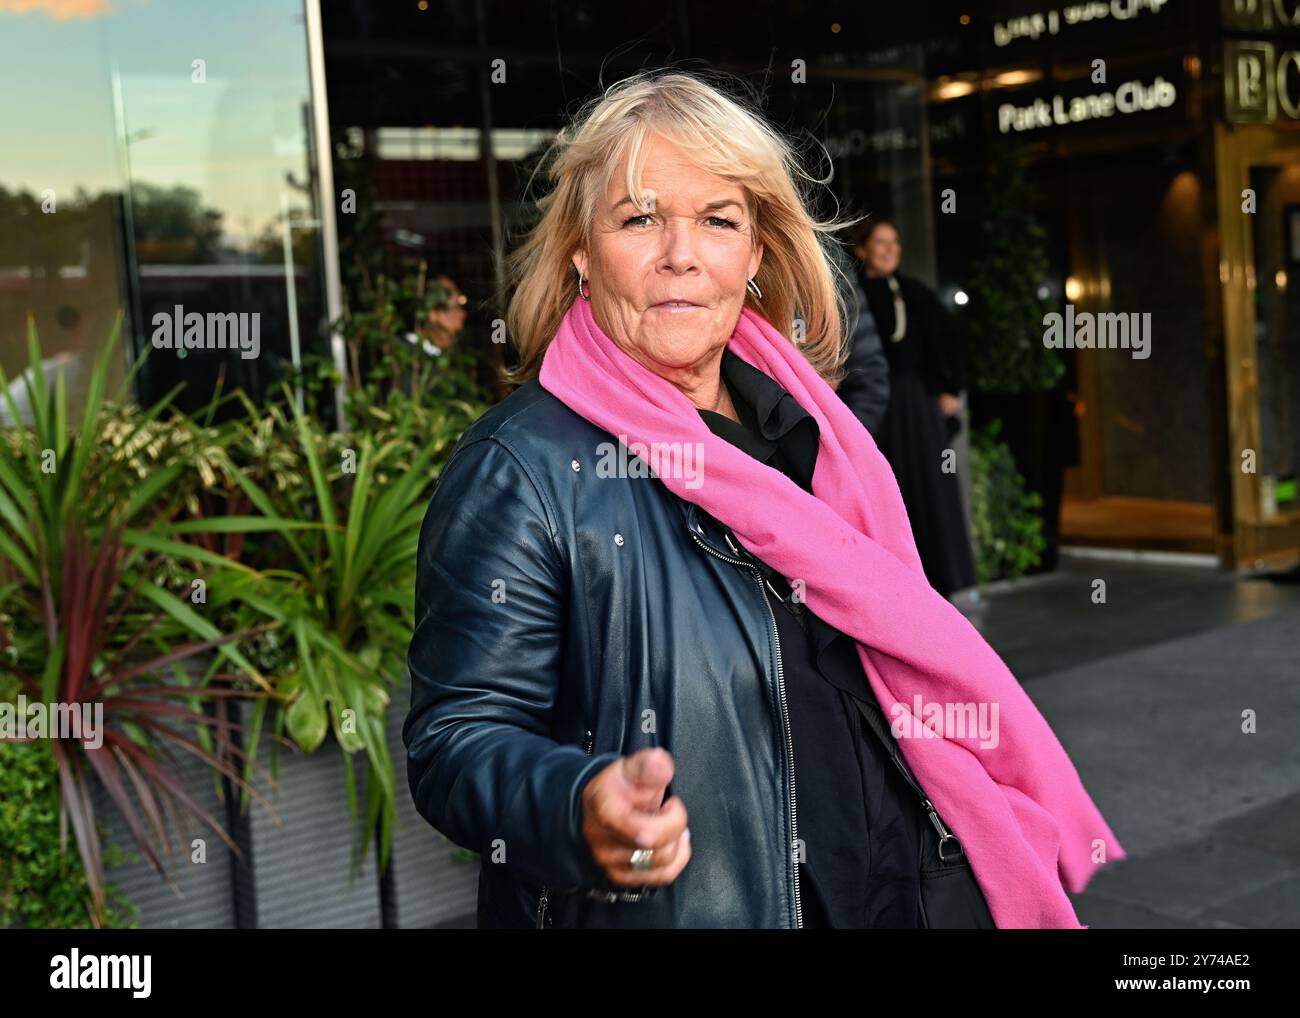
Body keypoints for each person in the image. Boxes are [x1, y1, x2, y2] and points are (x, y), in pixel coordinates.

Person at [403, 70, 1123, 929]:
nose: (683, 253)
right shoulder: (519, 468)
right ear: (582, 254)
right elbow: (455, 741)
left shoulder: (817, 434)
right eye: (639, 218)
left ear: (755, 252)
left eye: (718, 220)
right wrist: (576, 806)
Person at [852, 218, 977, 596]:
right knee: (889, 492)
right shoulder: (852, 296)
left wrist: (952, 387)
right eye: (880, 243)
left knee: (932, 487)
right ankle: (901, 587)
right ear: (862, 250)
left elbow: (952, 338)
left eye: (895, 242)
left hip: (918, 406)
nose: (890, 250)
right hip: (875, 408)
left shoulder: (915, 293)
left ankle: (946, 581)